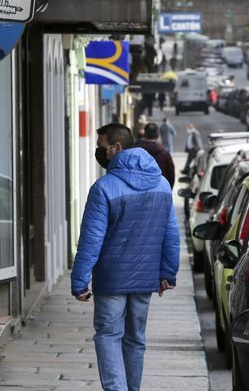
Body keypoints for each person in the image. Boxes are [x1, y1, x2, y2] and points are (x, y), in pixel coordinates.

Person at [72, 124, 179, 391]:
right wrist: (167, 273)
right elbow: (171, 232)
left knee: (109, 336)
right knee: (136, 339)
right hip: (145, 278)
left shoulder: (104, 187)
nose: (99, 152)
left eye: (101, 147)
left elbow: (91, 239)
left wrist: (80, 280)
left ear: (116, 148)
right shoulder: (163, 185)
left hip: (112, 278)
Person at [136, 122, 176, 188]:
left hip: (138, 191)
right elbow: (171, 175)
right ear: (157, 135)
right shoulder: (165, 153)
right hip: (159, 190)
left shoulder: (135, 152)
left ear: (145, 134)